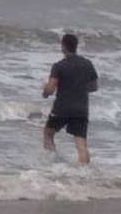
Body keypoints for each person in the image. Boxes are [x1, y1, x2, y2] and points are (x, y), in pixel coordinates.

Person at [42, 32, 98, 165]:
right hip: (81, 109)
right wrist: (79, 88)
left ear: (63, 46)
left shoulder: (59, 66)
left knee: (48, 133)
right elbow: (94, 87)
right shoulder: (87, 64)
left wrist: (45, 92)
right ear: (76, 46)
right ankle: (84, 173)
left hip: (62, 108)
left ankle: (52, 163)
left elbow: (50, 89)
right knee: (81, 144)